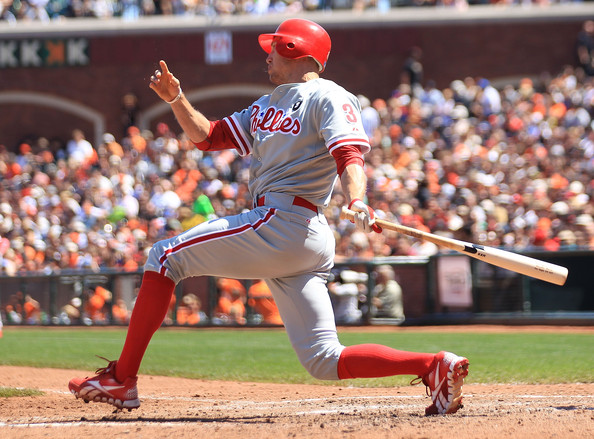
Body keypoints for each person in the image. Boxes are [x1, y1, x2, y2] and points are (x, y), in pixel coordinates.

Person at [68, 18, 468, 416]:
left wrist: (358, 199)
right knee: (324, 360)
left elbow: (349, 155)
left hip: (284, 221)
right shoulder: (266, 104)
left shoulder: (329, 96)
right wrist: (177, 99)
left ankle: (122, 379)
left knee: (164, 256)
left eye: (273, 49)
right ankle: (433, 366)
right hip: (295, 235)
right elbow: (208, 137)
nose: (267, 57)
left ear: (294, 50)